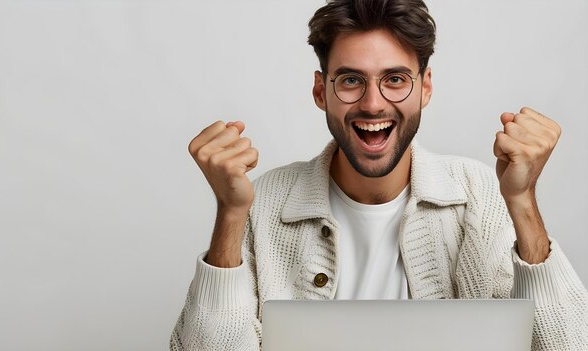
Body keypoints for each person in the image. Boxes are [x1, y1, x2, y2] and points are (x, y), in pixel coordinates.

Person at [170, 0, 588, 350]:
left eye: (395, 80)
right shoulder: (263, 204)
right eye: (351, 80)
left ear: (425, 87)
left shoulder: (478, 193)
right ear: (321, 91)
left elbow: (567, 344)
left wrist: (522, 201)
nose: (373, 104)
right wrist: (229, 213)